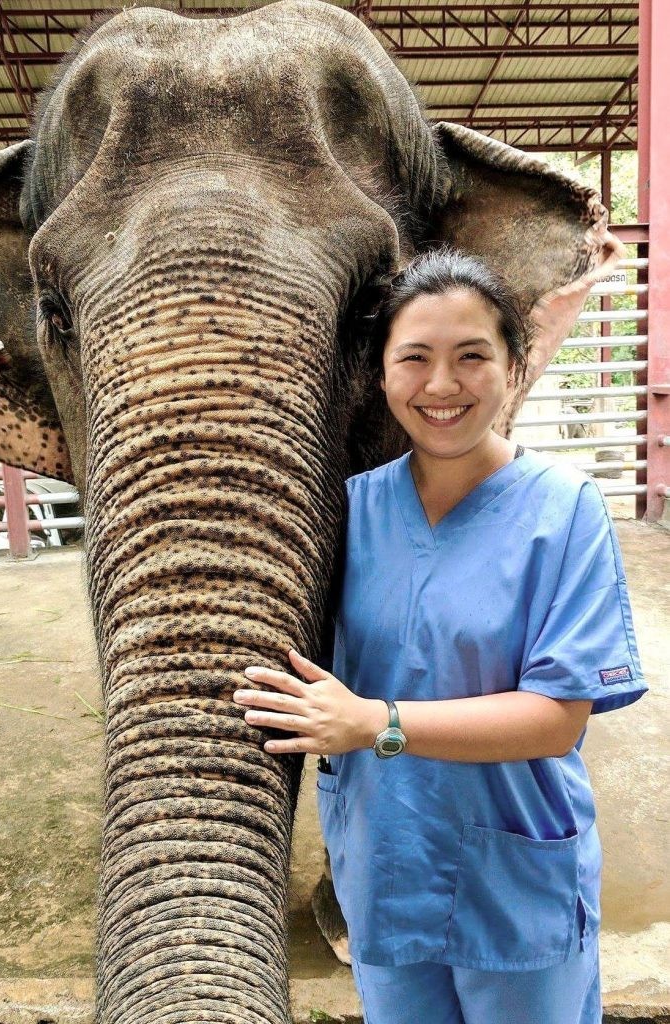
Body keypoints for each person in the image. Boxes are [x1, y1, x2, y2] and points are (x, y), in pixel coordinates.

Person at [231, 247, 648, 1024]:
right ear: (380, 374)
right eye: (414, 358)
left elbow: (556, 719)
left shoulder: (564, 510)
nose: (441, 384)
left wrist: (375, 723)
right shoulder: (346, 512)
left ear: (513, 366)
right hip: (386, 865)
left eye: (471, 356)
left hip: (516, 879)